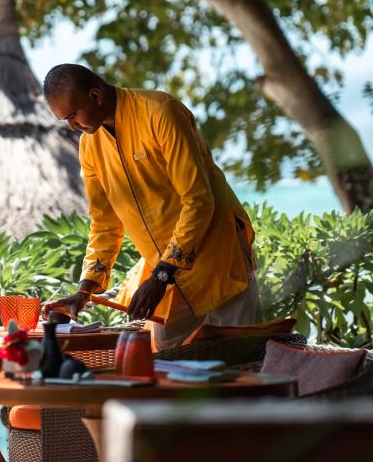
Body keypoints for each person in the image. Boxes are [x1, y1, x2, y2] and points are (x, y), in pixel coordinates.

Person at [41, 64, 261, 349]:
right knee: (166, 370)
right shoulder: (89, 146)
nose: (71, 126)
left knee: (241, 364)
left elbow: (198, 199)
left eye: (72, 116)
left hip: (218, 257)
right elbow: (105, 222)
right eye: (65, 120)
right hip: (167, 277)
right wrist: (85, 290)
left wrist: (161, 276)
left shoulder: (160, 111)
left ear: (95, 96)